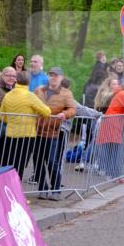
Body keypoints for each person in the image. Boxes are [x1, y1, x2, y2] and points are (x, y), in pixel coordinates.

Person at [0, 71, 52, 179]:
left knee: (8, 163)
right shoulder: (30, 96)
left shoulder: (8, 95)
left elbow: (1, 116)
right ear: (28, 82)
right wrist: (35, 114)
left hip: (10, 134)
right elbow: (47, 111)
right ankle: (16, 191)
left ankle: (4, 190)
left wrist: (13, 120)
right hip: (26, 136)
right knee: (20, 165)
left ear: (16, 80)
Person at [34, 67, 77, 199]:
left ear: (61, 78)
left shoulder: (66, 93)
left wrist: (64, 114)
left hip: (53, 133)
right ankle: (42, 188)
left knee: (53, 161)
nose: (53, 77)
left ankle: (56, 190)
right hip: (37, 132)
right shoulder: (39, 90)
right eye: (51, 75)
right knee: (38, 161)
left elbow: (73, 109)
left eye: (56, 75)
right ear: (48, 76)